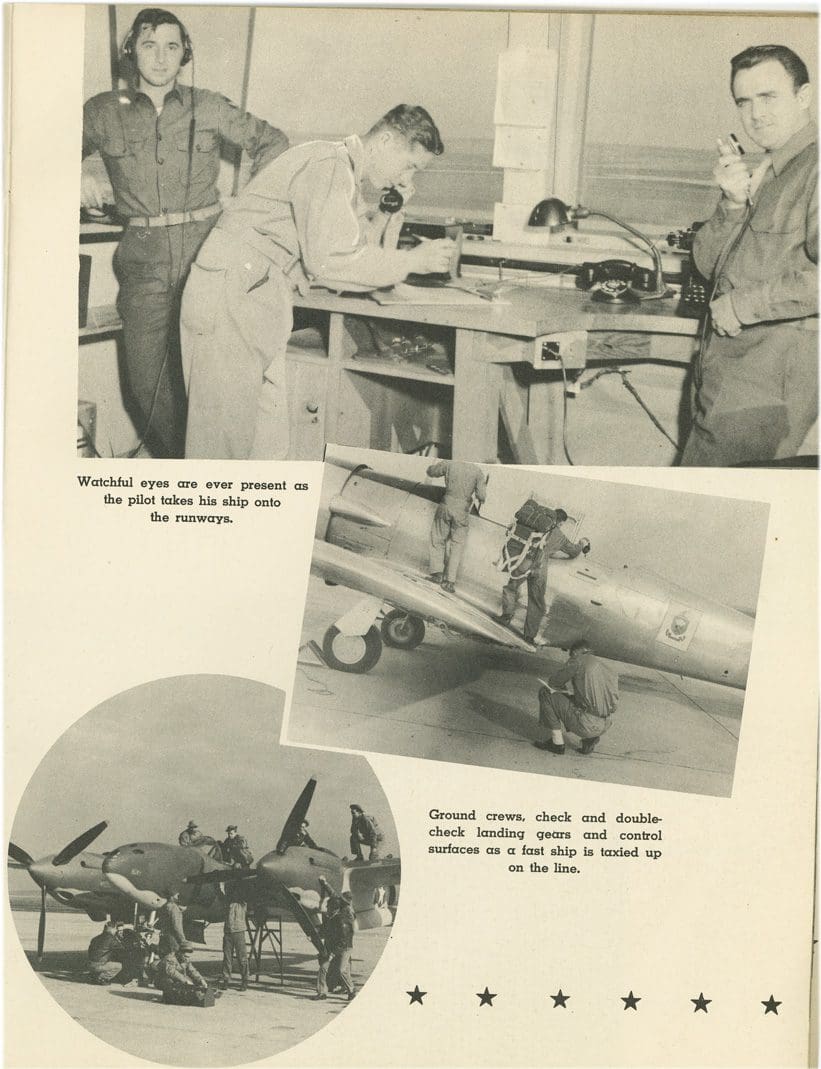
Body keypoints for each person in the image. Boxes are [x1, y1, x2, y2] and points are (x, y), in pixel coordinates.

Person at [181, 104, 456, 459]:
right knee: (219, 446)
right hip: (232, 294)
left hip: (258, 295)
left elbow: (354, 250)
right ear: (385, 140)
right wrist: (413, 260)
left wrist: (387, 212)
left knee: (268, 447)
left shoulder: (344, 175)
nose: (408, 180)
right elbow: (332, 262)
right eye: (409, 165)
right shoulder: (328, 164)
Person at [82, 7, 288, 458]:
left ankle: (206, 480)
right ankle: (189, 470)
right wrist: (74, 176)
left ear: (184, 54)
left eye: (171, 46)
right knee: (144, 386)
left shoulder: (208, 106)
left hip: (209, 255)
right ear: (132, 50)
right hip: (143, 259)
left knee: (216, 387)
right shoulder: (101, 112)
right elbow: (31, 154)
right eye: (150, 45)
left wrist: (249, 211)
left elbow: (274, 143)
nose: (160, 58)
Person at [680, 44, 817, 467]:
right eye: (744, 101)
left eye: (768, 97)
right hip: (727, 373)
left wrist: (741, 305)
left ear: (804, 97)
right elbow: (707, 264)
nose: (756, 114)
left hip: (766, 383)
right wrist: (733, 203)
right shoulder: (772, 171)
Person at [497, 500, 589, 646]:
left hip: (525, 560)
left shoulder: (536, 527)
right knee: (536, 600)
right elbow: (573, 551)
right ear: (560, 522)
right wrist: (582, 543)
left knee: (511, 586)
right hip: (540, 567)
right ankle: (529, 635)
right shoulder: (559, 535)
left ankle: (506, 615)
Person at [534, 639, 619, 755]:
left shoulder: (577, 660)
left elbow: (554, 683)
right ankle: (589, 740)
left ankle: (557, 743)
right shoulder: (605, 666)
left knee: (545, 693)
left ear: (574, 653)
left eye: (571, 655)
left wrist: (568, 669)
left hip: (587, 724)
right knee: (582, 704)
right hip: (605, 723)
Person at [426, 460, 487, 593]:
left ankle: (437, 573)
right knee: (457, 545)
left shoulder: (450, 463)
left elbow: (431, 472)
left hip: (447, 504)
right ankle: (450, 581)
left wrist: (430, 467)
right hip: (462, 510)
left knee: (437, 538)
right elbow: (482, 496)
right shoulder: (477, 471)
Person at [219, 884, 249, 992]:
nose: (231, 893)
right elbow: (220, 895)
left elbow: (245, 891)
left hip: (239, 933)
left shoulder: (242, 904)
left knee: (242, 958)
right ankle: (226, 980)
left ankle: (244, 980)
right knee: (227, 958)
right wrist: (216, 884)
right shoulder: (227, 903)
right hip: (228, 932)